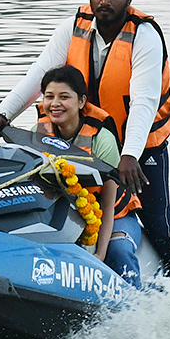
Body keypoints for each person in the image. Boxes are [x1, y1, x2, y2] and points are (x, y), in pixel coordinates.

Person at [0, 0, 170, 275]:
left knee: (157, 221)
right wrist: (3, 113)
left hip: (140, 148)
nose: (104, 2)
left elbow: (144, 102)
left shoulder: (145, 36)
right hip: (84, 141)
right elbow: (40, 75)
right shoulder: (72, 27)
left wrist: (130, 154)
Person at [34, 65, 142, 286]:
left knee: (119, 252)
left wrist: (100, 255)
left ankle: (138, 306)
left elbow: (108, 202)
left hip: (116, 214)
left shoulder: (102, 139)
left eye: (64, 97)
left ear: (82, 102)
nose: (55, 104)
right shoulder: (38, 133)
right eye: (49, 97)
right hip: (69, 215)